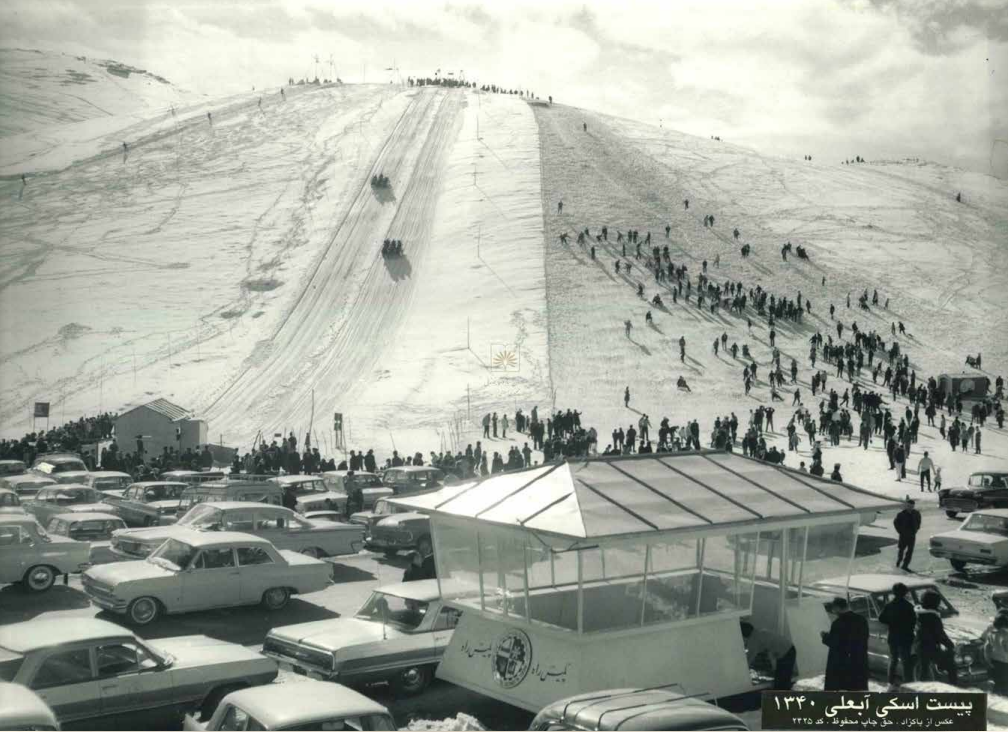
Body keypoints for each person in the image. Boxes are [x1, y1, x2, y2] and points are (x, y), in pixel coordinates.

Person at [821, 597, 869, 690]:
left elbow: (835, 643)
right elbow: (865, 637)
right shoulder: (862, 620)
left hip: (842, 662)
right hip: (859, 660)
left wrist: (825, 636)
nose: (833, 611)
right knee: (856, 689)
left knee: (841, 687)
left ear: (838, 608)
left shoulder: (838, 623)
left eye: (834, 609)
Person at [914, 589, 958, 684]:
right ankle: (953, 687)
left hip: (919, 646)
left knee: (924, 670)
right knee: (951, 666)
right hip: (931, 647)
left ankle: (919, 688)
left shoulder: (919, 614)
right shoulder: (932, 617)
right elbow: (940, 634)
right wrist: (950, 645)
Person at [741, 621, 797, 690]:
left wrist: (742, 672)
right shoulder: (759, 632)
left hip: (787, 652)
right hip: (788, 649)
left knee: (782, 681)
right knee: (782, 679)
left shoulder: (754, 640)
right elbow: (769, 650)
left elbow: (749, 659)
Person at [879, 582, 916, 685]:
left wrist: (891, 622)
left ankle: (890, 681)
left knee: (893, 659)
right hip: (905, 637)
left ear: (893, 592)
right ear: (905, 593)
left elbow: (881, 618)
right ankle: (908, 683)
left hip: (893, 636)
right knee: (906, 661)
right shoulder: (908, 606)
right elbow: (913, 621)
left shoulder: (889, 605)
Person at [982, 610, 1008, 695]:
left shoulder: (991, 634)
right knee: (1005, 685)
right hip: (1005, 663)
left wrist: (988, 661)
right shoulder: (1005, 635)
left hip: (994, 661)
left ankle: (995, 697)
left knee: (997, 682)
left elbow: (986, 648)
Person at [893, 498, 921, 571]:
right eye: (909, 506)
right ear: (906, 506)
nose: (910, 507)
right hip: (903, 535)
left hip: (912, 535)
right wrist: (900, 531)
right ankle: (899, 561)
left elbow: (918, 521)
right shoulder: (901, 514)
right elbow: (896, 523)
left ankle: (905, 565)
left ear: (913, 506)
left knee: (910, 551)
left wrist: (916, 529)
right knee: (901, 550)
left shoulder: (916, 513)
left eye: (912, 506)